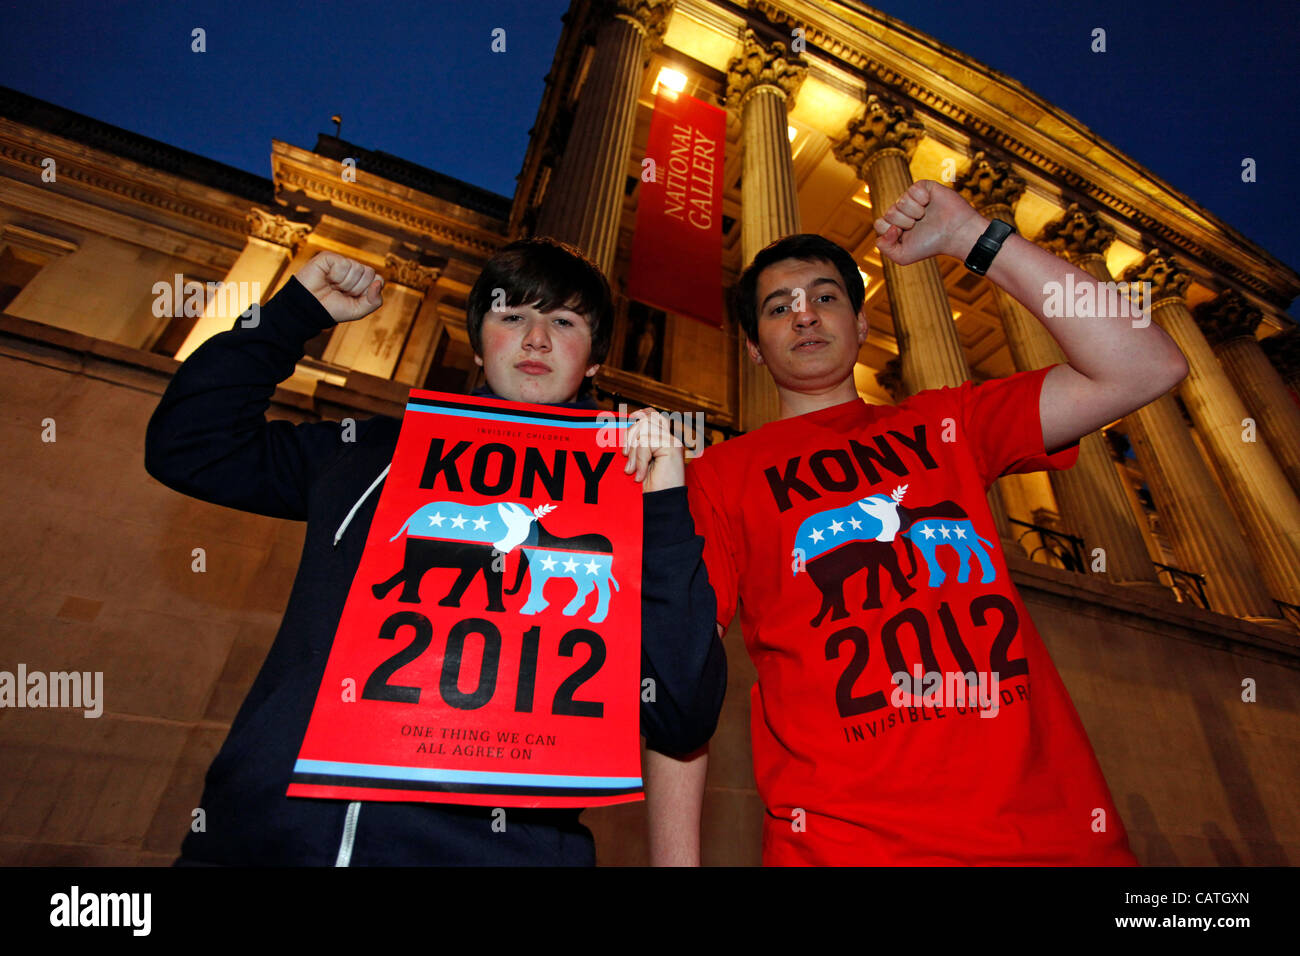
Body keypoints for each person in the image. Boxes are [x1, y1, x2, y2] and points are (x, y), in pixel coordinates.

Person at [144, 237, 725, 865]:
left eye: (563, 321)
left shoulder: (629, 495)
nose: (536, 338)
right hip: (261, 843)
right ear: (477, 346)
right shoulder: (369, 453)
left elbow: (683, 713)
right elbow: (189, 445)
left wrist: (664, 504)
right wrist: (291, 315)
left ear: (591, 362)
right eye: (511, 316)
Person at [665, 179, 1188, 865]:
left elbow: (1149, 366)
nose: (805, 315)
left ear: (861, 323)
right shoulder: (719, 476)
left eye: (826, 297)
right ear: (755, 348)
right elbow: (681, 675)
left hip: (1053, 840)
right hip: (840, 848)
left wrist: (978, 239)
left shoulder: (949, 423)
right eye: (778, 307)